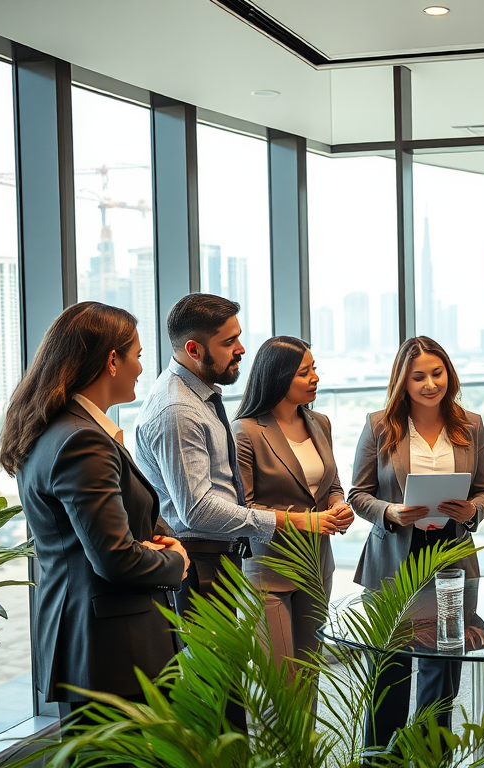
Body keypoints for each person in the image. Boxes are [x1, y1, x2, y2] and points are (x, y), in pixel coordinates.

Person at [0, 302, 189, 719]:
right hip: (112, 651)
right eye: (137, 355)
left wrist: (155, 537)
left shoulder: (59, 430)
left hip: (98, 647)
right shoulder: (83, 440)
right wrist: (175, 560)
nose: (142, 367)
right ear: (112, 360)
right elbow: (115, 557)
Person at [134, 294, 316, 729]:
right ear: (194, 350)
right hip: (196, 565)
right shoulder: (178, 409)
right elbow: (197, 509)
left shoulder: (200, 397)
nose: (241, 349)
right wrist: (285, 520)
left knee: (226, 692)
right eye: (229, 341)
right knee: (213, 701)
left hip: (216, 560)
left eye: (239, 337)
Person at [348, 336, 484, 749]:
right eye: (419, 377)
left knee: (443, 671)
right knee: (390, 673)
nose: (430, 384)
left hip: (450, 557)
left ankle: (433, 756)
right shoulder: (379, 424)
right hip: (395, 559)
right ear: (403, 381)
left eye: (437, 373)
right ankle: (379, 758)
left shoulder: (471, 424)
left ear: (448, 373)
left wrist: (472, 511)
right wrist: (390, 512)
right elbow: (358, 494)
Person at [232, 336, 354, 673]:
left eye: (314, 368)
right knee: (282, 685)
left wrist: (339, 505)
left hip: (317, 566)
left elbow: (332, 485)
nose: (315, 377)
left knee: (309, 677)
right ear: (277, 377)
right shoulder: (245, 432)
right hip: (269, 570)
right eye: (304, 372)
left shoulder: (320, 423)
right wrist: (308, 521)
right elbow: (244, 511)